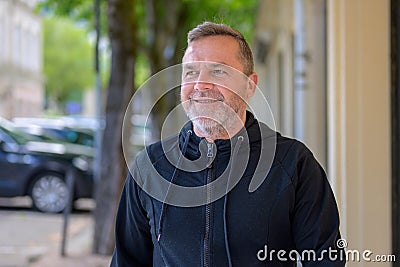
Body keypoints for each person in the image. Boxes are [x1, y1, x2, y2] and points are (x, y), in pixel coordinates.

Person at [110, 22, 346, 266]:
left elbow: (325, 259)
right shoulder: (150, 167)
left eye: (218, 71)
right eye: (191, 72)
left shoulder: (292, 163)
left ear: (250, 85)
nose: (201, 85)